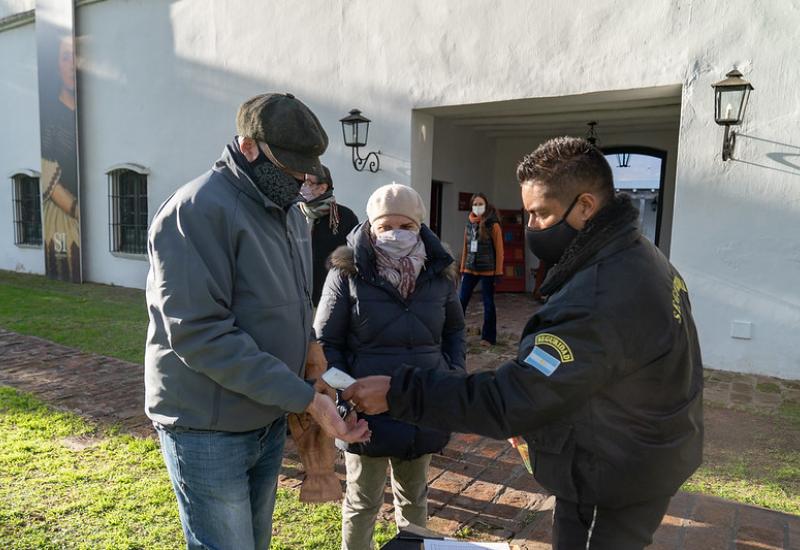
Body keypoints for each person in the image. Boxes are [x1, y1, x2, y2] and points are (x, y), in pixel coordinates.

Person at [341, 137, 704, 550]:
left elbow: (514, 397)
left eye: (541, 214)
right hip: (639, 451)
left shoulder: (601, 295)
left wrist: (399, 391)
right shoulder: (641, 255)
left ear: (585, 206)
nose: (530, 227)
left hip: (614, 472)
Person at [144, 92, 370, 550]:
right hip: (208, 427)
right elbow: (201, 335)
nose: (302, 181)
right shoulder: (197, 210)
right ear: (248, 147)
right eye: (291, 169)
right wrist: (305, 398)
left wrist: (309, 344)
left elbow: (290, 298)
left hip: (266, 412)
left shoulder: (285, 212)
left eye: (308, 170)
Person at [314, 183, 466, 550]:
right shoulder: (347, 271)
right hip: (365, 410)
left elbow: (455, 330)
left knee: (414, 502)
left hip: (422, 403)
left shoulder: (439, 270)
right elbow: (326, 342)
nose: (395, 234)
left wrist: (452, 376)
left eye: (405, 226)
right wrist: (346, 396)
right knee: (363, 502)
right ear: (371, 226)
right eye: (385, 226)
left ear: (419, 226)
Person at [299, 165, 360, 307]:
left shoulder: (344, 217)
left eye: (308, 183)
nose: (302, 187)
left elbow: (354, 259)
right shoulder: (293, 213)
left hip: (330, 298)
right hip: (297, 298)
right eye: (301, 182)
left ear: (322, 188)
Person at [458, 193, 504, 346]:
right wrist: (463, 268)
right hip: (470, 269)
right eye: (475, 204)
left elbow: (499, 250)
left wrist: (498, 272)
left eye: (480, 204)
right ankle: (455, 333)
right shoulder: (469, 224)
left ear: (486, 205)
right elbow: (465, 247)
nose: (478, 207)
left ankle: (488, 337)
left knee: (488, 303)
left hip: (488, 270)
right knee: (461, 301)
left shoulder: (493, 225)